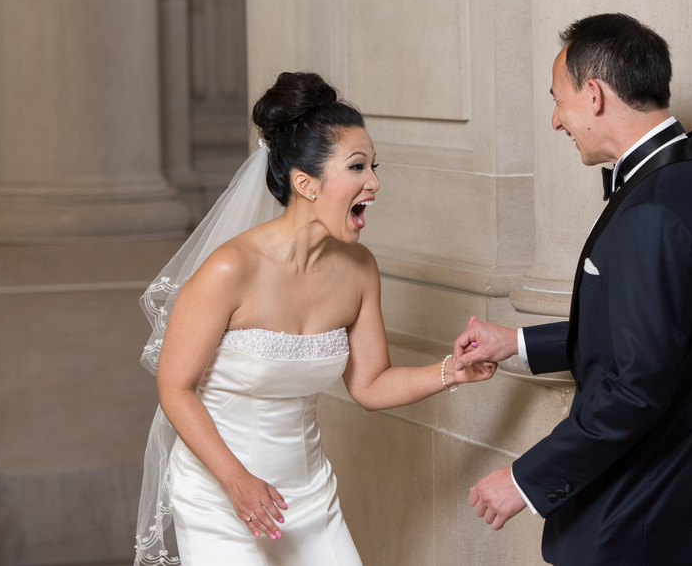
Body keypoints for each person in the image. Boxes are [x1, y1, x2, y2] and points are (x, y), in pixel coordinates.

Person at [133, 71, 496, 566]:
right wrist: (235, 481)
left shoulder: (360, 269)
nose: (374, 182)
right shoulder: (228, 269)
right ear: (305, 184)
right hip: (219, 494)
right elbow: (174, 388)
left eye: (373, 166)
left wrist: (449, 373)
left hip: (309, 498)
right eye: (357, 167)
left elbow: (369, 384)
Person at [454, 13, 692, 565]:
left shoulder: (653, 211)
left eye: (558, 99)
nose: (554, 120)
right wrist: (517, 343)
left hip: (634, 512)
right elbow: (655, 335)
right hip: (683, 502)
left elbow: (637, 388)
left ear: (593, 95)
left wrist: (524, 480)